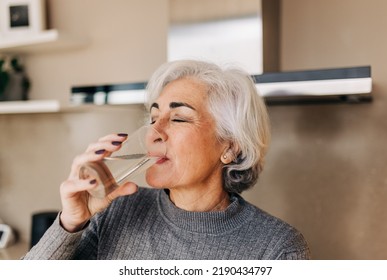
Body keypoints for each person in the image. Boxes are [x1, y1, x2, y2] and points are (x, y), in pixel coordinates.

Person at [23, 60, 310, 260]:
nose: (154, 133)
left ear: (230, 147)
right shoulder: (115, 213)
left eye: (178, 118)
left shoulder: (277, 249)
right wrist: (71, 224)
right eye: (153, 118)